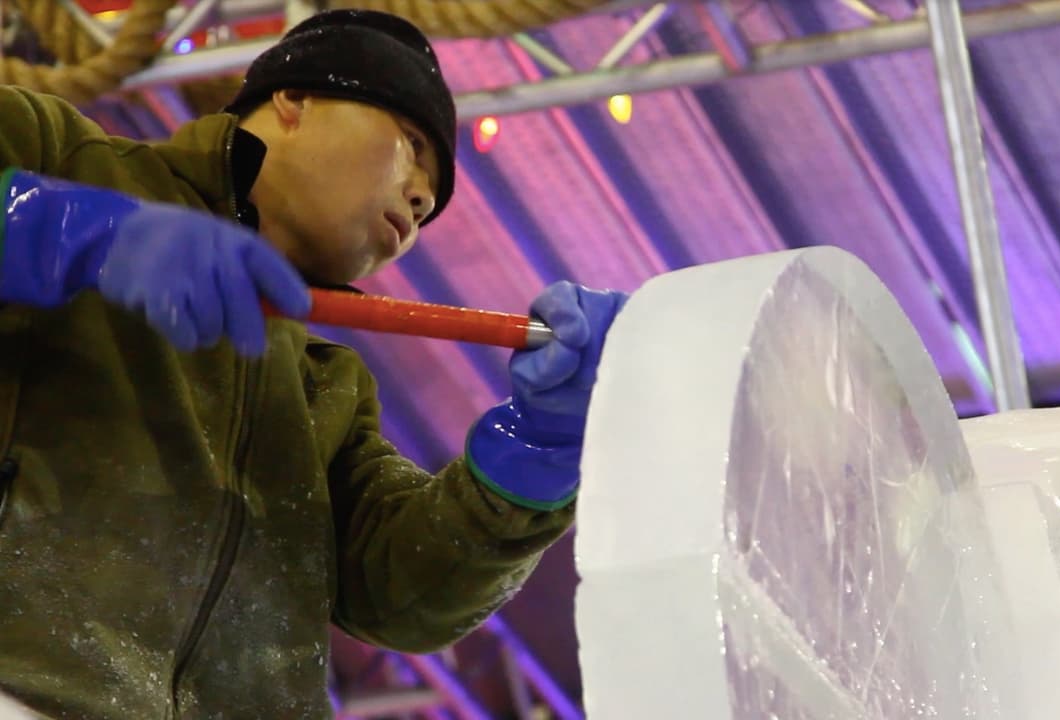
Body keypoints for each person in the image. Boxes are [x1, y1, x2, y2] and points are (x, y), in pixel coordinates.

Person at [0, 9, 626, 718]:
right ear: (294, 100)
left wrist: (534, 454)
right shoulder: (53, 151)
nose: (423, 197)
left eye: (431, 204)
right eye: (413, 144)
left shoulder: (326, 386)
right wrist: (51, 228)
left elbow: (403, 596)